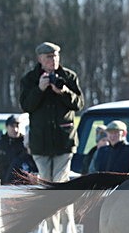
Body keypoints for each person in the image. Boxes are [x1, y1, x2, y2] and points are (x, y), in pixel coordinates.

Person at [19, 41, 84, 183]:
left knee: (60, 181)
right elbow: (26, 106)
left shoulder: (69, 77)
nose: (53, 60)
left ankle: (61, 206)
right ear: (40, 59)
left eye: (55, 56)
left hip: (64, 140)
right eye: (48, 57)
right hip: (40, 142)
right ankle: (49, 206)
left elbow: (79, 104)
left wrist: (64, 91)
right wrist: (39, 89)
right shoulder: (29, 80)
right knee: (46, 181)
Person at [0, 115, 37, 185]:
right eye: (12, 126)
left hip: (22, 184)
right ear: (6, 127)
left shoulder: (25, 143)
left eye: (17, 126)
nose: (15, 129)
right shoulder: (1, 144)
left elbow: (34, 164)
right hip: (4, 183)